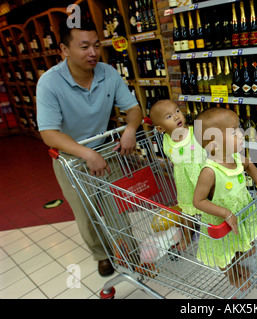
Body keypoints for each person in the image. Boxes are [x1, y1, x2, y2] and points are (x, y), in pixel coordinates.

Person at [36, 18, 142, 276]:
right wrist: (85, 153)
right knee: (86, 213)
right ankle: (102, 254)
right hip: (71, 157)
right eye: (84, 47)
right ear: (64, 49)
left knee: (115, 206)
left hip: (106, 150)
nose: (93, 52)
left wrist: (130, 129)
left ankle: (129, 250)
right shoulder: (49, 83)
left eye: (96, 45)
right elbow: (49, 133)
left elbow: (134, 108)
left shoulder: (109, 73)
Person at [192, 107, 257, 290]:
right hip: (220, 223)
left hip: (240, 217)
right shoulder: (209, 171)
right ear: (214, 145)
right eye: (234, 132)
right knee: (224, 254)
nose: (242, 134)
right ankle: (231, 274)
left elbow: (250, 165)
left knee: (242, 248)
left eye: (239, 128)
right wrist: (225, 213)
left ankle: (236, 266)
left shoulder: (236, 157)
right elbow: (198, 201)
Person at [149, 99, 206, 250]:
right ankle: (187, 236)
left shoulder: (196, 132)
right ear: (161, 129)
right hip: (185, 182)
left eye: (177, 111)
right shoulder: (167, 140)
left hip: (204, 178)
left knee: (211, 207)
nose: (176, 117)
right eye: (168, 117)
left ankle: (214, 236)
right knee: (187, 211)